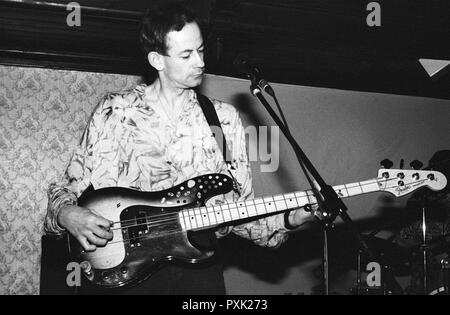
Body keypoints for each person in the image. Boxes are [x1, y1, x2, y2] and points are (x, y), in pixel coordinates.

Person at [44, 2, 315, 294]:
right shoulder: (116, 110)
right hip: (120, 268)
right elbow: (67, 188)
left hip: (196, 274)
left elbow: (239, 212)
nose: (199, 62)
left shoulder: (223, 119)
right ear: (157, 60)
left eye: (200, 50)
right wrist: (67, 215)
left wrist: (290, 218)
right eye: (186, 54)